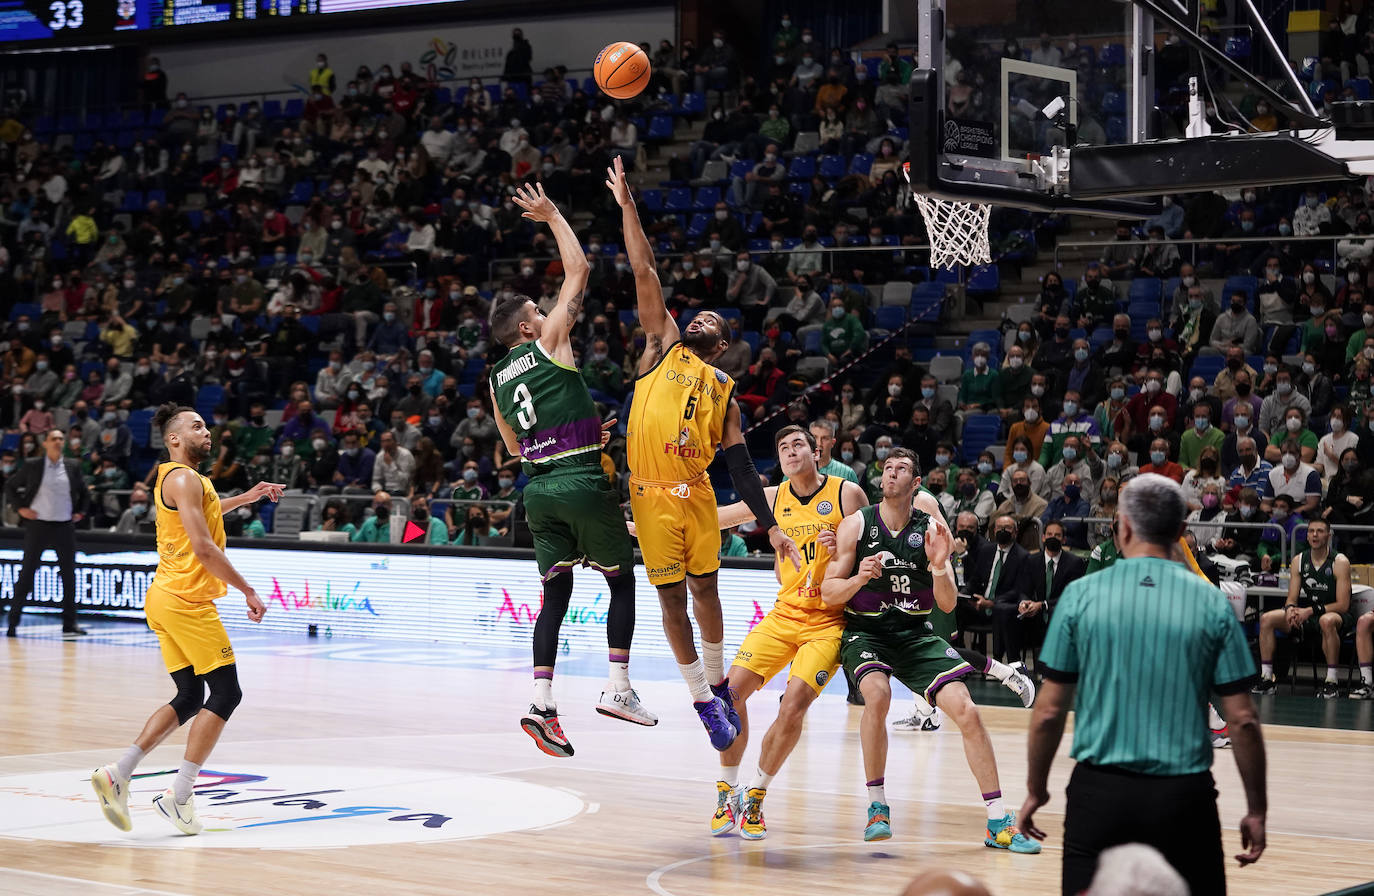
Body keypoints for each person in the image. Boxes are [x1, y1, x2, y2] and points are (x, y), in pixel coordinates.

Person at [608, 155, 799, 752]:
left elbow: (741, 468)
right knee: (670, 600)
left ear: (723, 346)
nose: (699, 316)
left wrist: (769, 526)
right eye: (697, 313)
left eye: (711, 319)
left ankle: (717, 684)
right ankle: (700, 698)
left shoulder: (725, 392)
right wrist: (628, 208)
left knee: (706, 593)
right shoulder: (663, 344)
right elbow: (644, 269)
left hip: (697, 496)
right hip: (649, 496)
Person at [1019, 473, 1267, 895]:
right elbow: (1242, 721)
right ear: (1181, 532)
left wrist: (1036, 790)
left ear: (1124, 526)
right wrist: (1257, 808)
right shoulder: (1211, 602)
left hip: (1099, 795)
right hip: (1184, 797)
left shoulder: (1080, 597)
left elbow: (1046, 713)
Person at [487, 183, 657, 758]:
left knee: (554, 598)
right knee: (622, 580)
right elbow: (579, 269)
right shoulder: (549, 341)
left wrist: (580, 431)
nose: (549, 310)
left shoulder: (495, 381)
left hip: (540, 491)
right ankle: (618, 688)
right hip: (582, 482)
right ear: (529, 329)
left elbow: (517, 447)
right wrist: (552, 212)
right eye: (539, 310)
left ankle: (542, 705)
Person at [822, 448, 1041, 851]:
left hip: (913, 633)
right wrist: (859, 579)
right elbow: (828, 591)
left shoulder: (931, 531)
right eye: (887, 468)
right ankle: (877, 806)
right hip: (866, 633)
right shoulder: (857, 524)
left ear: (916, 483)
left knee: (968, 712)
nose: (890, 474)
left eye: (901, 468)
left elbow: (945, 604)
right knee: (878, 696)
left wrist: (940, 565)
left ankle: (997, 822)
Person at [91, 404, 283, 836]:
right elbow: (205, 549)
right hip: (187, 602)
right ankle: (179, 797)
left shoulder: (183, 480)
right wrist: (248, 589)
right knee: (227, 693)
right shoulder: (183, 478)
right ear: (175, 439)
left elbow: (207, 508)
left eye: (206, 424)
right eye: (196, 426)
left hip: (163, 597)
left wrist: (248, 497)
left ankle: (119, 773)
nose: (207, 430)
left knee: (191, 694)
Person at [700, 424, 868, 838]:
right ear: (779, 460)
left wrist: (843, 550)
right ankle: (729, 790)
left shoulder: (847, 494)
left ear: (817, 451)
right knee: (728, 696)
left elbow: (875, 540)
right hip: (783, 616)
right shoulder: (772, 498)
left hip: (827, 623)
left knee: (792, 707)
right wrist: (646, 525)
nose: (791, 452)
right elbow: (715, 518)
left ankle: (756, 795)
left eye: (799, 445)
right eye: (783, 448)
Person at [1252, 518, 1353, 698]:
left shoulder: (1340, 561)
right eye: (1311, 531)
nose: (1315, 535)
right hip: (1310, 613)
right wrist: (1291, 608)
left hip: (1336, 615)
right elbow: (1291, 597)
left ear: (1328, 536)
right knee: (1267, 619)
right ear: (1306, 536)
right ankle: (1267, 678)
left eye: (1320, 531)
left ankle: (1332, 682)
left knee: (1326, 620)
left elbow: (1343, 605)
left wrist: (1309, 611)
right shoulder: (1298, 560)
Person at [2, 428, 90, 636]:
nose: (58, 442)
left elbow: (85, 493)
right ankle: (13, 622)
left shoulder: (72, 466)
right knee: (26, 574)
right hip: (38, 525)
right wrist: (21, 508)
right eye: (54, 439)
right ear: (46, 443)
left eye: (61, 438)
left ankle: (70, 624)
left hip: (64, 526)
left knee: (69, 576)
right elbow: (10, 485)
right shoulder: (33, 466)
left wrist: (81, 512)